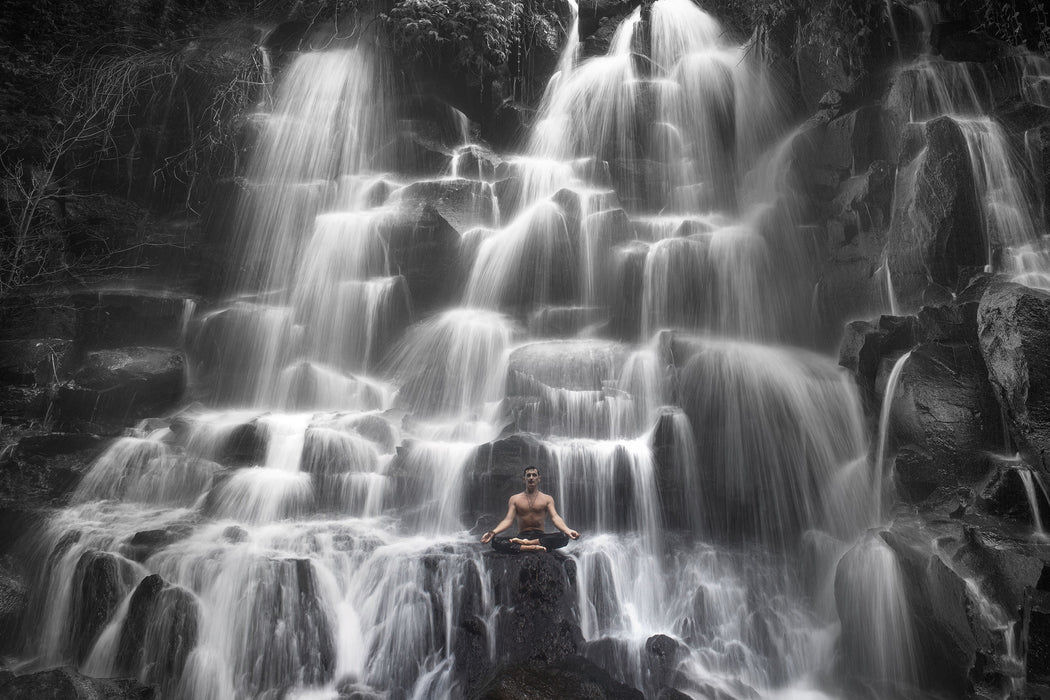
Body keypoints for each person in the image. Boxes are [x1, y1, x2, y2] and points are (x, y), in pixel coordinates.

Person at [480, 466, 580, 553]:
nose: (531, 478)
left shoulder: (547, 499)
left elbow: (555, 517)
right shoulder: (515, 499)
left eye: (534, 475)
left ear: (539, 478)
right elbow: (508, 520)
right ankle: (530, 547)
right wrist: (492, 532)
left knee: (564, 537)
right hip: (522, 536)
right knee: (496, 541)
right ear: (524, 479)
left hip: (540, 537)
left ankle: (527, 545)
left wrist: (568, 530)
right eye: (528, 475)